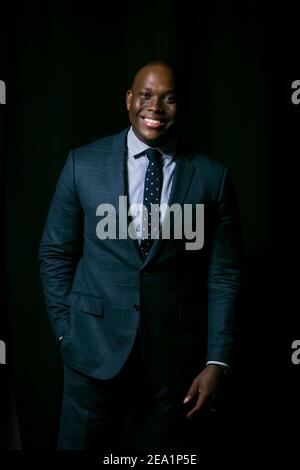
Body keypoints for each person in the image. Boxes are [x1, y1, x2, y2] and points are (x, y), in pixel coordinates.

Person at [39, 60, 243, 450]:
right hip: (91, 354)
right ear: (129, 100)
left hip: (174, 367)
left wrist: (217, 361)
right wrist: (67, 331)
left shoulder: (212, 177)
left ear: (182, 106)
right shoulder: (83, 163)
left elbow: (225, 275)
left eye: (169, 99)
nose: (156, 107)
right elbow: (54, 253)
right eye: (146, 96)